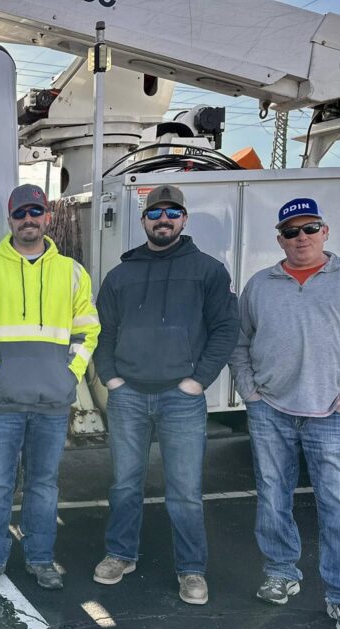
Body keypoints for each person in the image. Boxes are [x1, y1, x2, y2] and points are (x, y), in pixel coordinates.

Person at [230, 197, 340, 629]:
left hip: (333, 414)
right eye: (291, 231)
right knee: (272, 498)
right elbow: (239, 341)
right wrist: (250, 391)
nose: (300, 238)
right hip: (271, 411)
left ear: (325, 232)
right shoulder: (261, 284)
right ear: (279, 239)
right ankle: (281, 573)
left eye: (310, 228)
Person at [92, 184, 238, 605]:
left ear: (184, 220)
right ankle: (121, 554)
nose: (164, 220)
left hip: (182, 398)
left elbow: (226, 328)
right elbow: (104, 331)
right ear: (143, 221)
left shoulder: (209, 271)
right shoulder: (121, 275)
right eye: (156, 213)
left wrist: (198, 381)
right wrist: (111, 378)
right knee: (123, 483)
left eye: (173, 213)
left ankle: (191, 571)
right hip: (129, 395)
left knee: (185, 490)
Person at [0, 184, 100, 591]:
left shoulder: (71, 272)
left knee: (43, 486)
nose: (29, 220)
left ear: (47, 218)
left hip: (51, 403)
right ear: (10, 219)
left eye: (36, 212)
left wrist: (68, 375)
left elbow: (89, 331)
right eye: (21, 213)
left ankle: (40, 560)